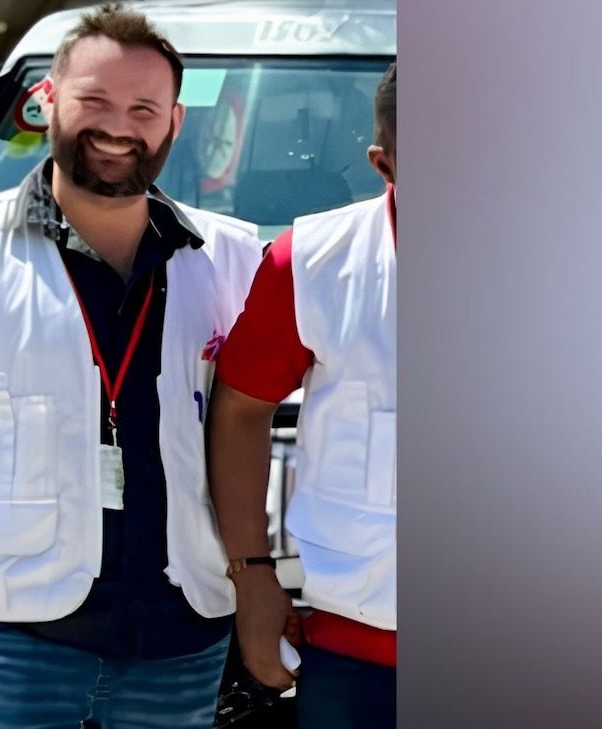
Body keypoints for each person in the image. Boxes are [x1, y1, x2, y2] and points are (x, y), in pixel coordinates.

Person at [0, 5, 263, 727]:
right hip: (15, 634)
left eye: (143, 108)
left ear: (174, 123)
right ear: (47, 101)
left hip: (182, 636)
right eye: (94, 101)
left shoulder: (230, 261)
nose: (118, 126)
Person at [207, 63, 397, 728]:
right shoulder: (311, 261)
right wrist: (251, 574)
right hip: (357, 655)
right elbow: (239, 409)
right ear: (384, 162)